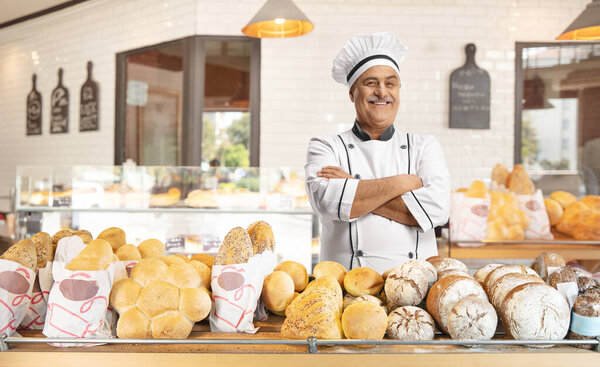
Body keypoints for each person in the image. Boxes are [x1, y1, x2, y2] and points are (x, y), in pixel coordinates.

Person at [305, 32, 451, 273]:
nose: (382, 92)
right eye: (371, 83)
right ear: (352, 93)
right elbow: (326, 201)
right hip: (344, 289)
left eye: (390, 83)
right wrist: (405, 183)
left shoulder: (424, 145)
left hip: (415, 293)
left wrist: (352, 187)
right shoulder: (325, 145)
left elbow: (437, 210)